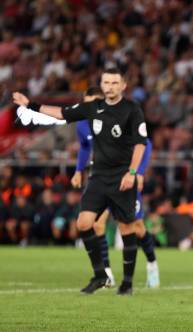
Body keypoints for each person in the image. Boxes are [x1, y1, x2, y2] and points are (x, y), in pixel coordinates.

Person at [13, 67, 149, 296]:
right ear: (102, 84)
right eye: (106, 82)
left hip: (122, 177)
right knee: (84, 223)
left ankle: (127, 282)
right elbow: (61, 113)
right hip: (98, 177)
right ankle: (99, 275)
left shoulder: (131, 109)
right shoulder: (92, 107)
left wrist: (133, 172)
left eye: (115, 83)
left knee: (127, 228)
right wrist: (30, 105)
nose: (110, 86)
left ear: (123, 85)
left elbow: (140, 143)